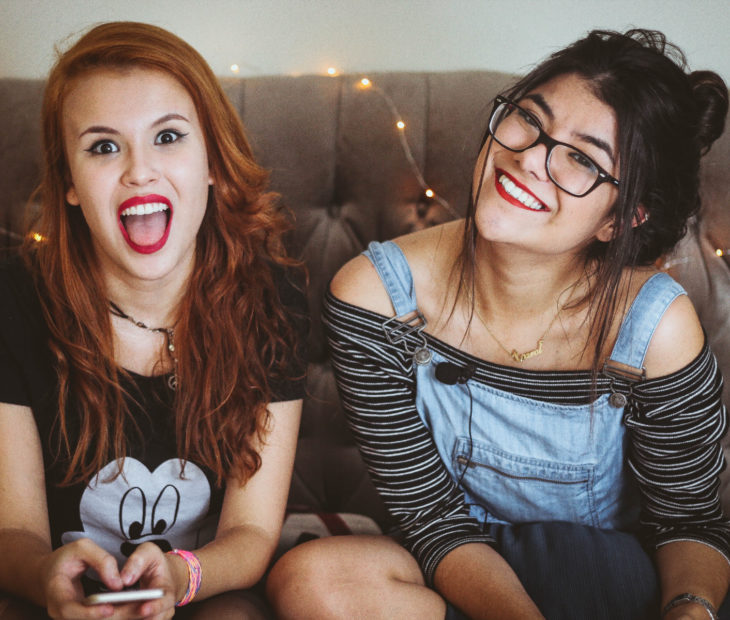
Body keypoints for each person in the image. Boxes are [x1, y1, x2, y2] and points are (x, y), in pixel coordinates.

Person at [266, 29, 730, 620]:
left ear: (621, 219)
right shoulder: (375, 296)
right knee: (312, 580)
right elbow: (429, 520)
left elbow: (688, 521)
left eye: (582, 159)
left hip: (608, 577)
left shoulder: (655, 328)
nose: (530, 158)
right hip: (457, 571)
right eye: (529, 121)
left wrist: (690, 608)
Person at [0, 21, 306, 620]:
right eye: (104, 147)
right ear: (68, 182)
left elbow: (250, 535)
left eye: (168, 137)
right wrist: (46, 579)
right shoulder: (14, 298)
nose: (140, 170)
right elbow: (14, 530)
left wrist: (178, 578)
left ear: (213, 163)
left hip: (205, 592)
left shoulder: (273, 296)